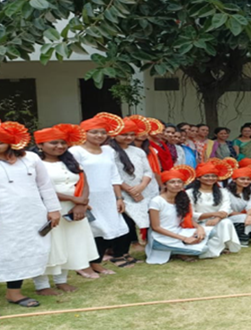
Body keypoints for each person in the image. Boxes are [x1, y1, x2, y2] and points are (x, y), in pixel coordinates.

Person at [0, 121, 62, 316]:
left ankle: (14, 293)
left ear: (12, 143)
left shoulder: (31, 158)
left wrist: (54, 209)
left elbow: (44, 185)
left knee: (23, 253)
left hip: (30, 215)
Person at [33, 125, 100, 295]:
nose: (60, 146)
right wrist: (72, 199)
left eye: (63, 143)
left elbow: (84, 183)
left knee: (69, 243)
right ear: (40, 145)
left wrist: (81, 204)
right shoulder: (35, 163)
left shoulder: (70, 161)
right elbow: (39, 188)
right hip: (47, 209)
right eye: (53, 143)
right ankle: (42, 285)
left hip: (73, 210)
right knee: (50, 245)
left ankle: (61, 280)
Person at [71, 116, 134, 273]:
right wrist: (80, 200)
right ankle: (83, 265)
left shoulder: (109, 150)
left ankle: (96, 262)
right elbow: (74, 176)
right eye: (94, 132)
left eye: (103, 132)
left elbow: (114, 176)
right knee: (90, 230)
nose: (99, 136)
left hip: (107, 197)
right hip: (87, 197)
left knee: (108, 228)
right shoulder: (76, 151)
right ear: (84, 133)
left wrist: (119, 198)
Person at [146, 167, 213, 264]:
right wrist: (184, 238)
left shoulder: (181, 198)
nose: (176, 185)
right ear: (165, 185)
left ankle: (180, 249)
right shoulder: (156, 201)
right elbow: (156, 227)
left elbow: (187, 219)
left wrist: (199, 228)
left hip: (179, 231)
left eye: (179, 182)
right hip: (160, 237)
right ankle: (176, 250)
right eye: (172, 182)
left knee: (211, 231)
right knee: (203, 249)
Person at [112, 117, 160, 251]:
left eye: (132, 134)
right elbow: (112, 175)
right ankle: (119, 253)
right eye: (124, 134)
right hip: (120, 193)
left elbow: (148, 171)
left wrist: (141, 186)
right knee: (125, 223)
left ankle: (128, 252)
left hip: (141, 191)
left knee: (139, 221)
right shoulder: (110, 152)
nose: (128, 137)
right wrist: (130, 190)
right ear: (114, 134)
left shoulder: (138, 151)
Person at [189, 161, 242, 257]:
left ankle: (223, 246)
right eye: (206, 176)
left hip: (218, 221)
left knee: (226, 222)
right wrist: (214, 214)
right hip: (197, 223)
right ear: (199, 178)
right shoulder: (189, 193)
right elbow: (191, 214)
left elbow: (226, 208)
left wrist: (217, 219)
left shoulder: (223, 191)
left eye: (213, 176)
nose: (210, 178)